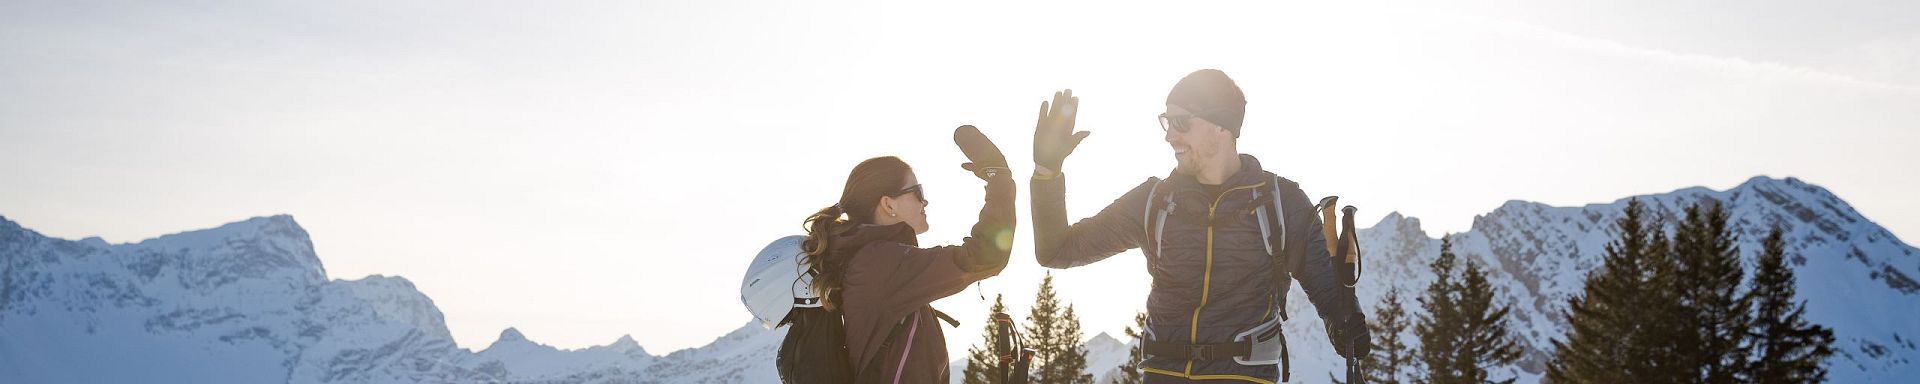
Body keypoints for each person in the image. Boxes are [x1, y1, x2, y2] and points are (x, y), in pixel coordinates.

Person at [1028, 70, 1368, 383]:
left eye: (1181, 122)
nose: (1169, 135)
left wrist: (1346, 324)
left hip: (1243, 376)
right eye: (1166, 121)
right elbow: (1057, 250)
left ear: (1221, 126)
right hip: (1163, 373)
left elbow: (1329, 295)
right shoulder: (1154, 201)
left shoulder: (1279, 202)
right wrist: (1046, 172)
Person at [799, 127, 1016, 383]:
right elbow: (985, 255)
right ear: (888, 204)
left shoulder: (873, 262)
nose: (925, 202)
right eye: (918, 192)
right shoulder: (880, 264)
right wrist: (999, 179)